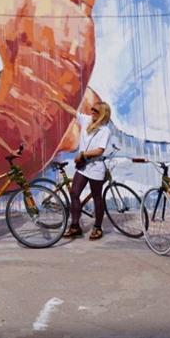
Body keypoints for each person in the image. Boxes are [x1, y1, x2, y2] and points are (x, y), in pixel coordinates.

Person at [63, 102, 113, 240]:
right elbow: (72, 110)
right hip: (83, 166)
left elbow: (99, 150)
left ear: (103, 113)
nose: (92, 111)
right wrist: (57, 102)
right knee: (74, 193)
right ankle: (75, 226)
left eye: (95, 110)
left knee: (97, 197)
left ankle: (97, 227)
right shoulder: (87, 120)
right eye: (92, 109)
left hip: (96, 167)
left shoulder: (105, 130)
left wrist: (83, 154)